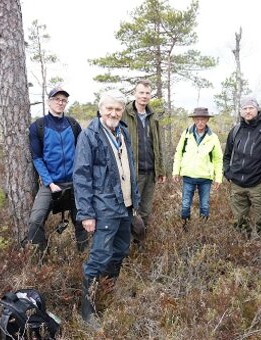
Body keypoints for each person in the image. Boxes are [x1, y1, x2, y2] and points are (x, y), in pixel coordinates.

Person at [73, 89, 140, 326]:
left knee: (121, 249)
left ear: (123, 111)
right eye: (109, 108)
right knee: (99, 257)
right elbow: (81, 176)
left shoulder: (122, 132)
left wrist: (135, 201)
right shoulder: (89, 135)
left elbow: (128, 168)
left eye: (118, 109)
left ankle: (108, 290)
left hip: (125, 205)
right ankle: (87, 312)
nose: (113, 113)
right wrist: (86, 213)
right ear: (101, 109)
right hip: (103, 207)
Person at [26, 87, 88, 253]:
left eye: (63, 100)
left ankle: (83, 257)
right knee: (35, 220)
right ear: (49, 102)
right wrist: (50, 183)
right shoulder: (38, 126)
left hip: (75, 182)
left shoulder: (73, 124)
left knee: (82, 221)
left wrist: (81, 179)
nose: (60, 103)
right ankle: (40, 260)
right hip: (51, 183)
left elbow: (82, 153)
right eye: (57, 99)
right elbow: (37, 158)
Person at [223, 96, 261, 237]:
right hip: (237, 184)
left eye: (251, 108)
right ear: (241, 112)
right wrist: (228, 173)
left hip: (259, 185)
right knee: (239, 221)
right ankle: (243, 248)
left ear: (257, 109)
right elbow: (227, 155)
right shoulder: (235, 130)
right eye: (245, 108)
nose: (248, 111)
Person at [122, 79, 166, 242]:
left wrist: (160, 170)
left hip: (150, 171)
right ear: (135, 93)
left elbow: (157, 144)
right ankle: (126, 244)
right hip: (133, 172)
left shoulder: (152, 116)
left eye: (147, 93)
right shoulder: (124, 113)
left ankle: (139, 243)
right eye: (141, 92)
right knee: (132, 209)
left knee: (146, 211)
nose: (144, 96)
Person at [172, 107, 223, 229]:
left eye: (203, 119)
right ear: (194, 119)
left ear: (207, 120)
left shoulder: (213, 137)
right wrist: (175, 171)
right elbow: (179, 153)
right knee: (185, 205)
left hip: (205, 178)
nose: (200, 122)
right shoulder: (186, 134)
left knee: (204, 206)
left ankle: (202, 230)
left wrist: (218, 178)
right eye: (197, 119)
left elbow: (218, 159)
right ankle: (185, 230)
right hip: (188, 176)